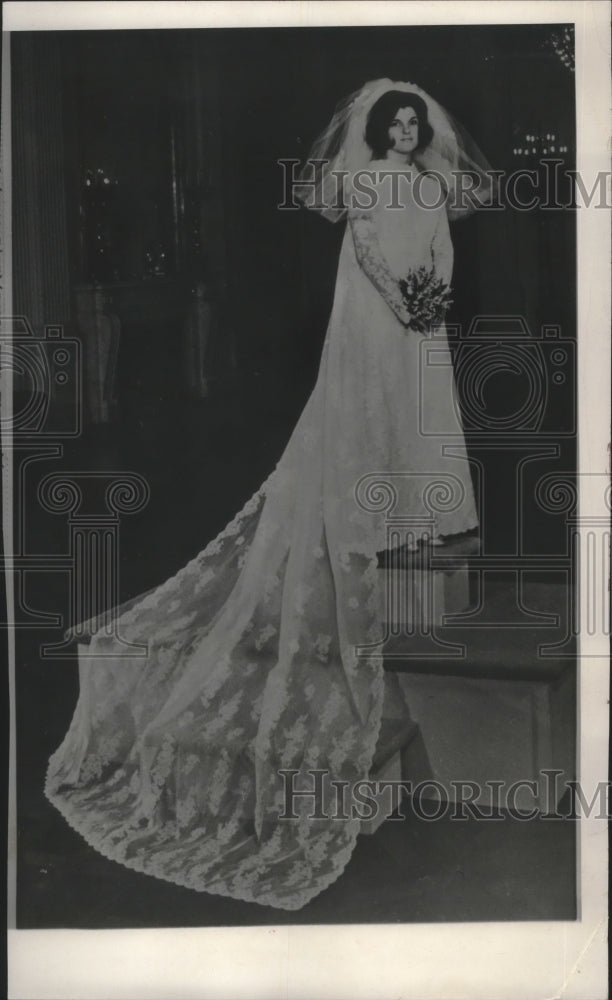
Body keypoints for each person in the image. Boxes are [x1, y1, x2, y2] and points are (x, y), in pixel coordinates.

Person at [45, 78, 493, 911]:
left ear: (421, 130)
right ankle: (366, 502)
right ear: (377, 130)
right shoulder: (364, 181)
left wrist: (432, 294)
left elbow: (437, 245)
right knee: (368, 406)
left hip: (420, 313)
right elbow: (364, 247)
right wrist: (397, 298)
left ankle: (420, 508)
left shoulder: (430, 182)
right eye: (393, 121)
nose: (403, 131)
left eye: (411, 122)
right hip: (370, 312)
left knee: (421, 403)